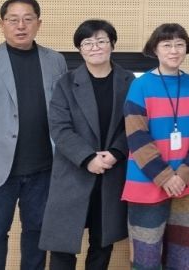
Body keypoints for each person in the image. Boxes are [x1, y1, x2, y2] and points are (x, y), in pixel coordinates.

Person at [0, 0, 68, 270]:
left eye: (28, 19)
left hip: (44, 167)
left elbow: (64, 110)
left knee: (36, 232)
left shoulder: (56, 61)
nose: (21, 26)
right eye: (13, 20)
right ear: (1, 24)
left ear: (39, 23)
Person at [39, 20, 135, 269]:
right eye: (87, 43)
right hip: (73, 171)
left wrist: (116, 152)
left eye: (101, 41)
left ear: (112, 45)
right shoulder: (65, 83)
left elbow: (136, 124)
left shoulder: (130, 82)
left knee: (102, 244)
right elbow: (60, 128)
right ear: (80, 49)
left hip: (112, 171)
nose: (95, 47)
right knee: (62, 246)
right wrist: (88, 158)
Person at [122, 23, 189, 270]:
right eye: (167, 45)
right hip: (146, 181)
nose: (174, 50)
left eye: (179, 44)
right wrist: (166, 177)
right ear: (155, 49)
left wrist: (183, 174)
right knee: (146, 258)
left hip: (187, 183)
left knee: (184, 256)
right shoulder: (140, 86)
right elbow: (136, 136)